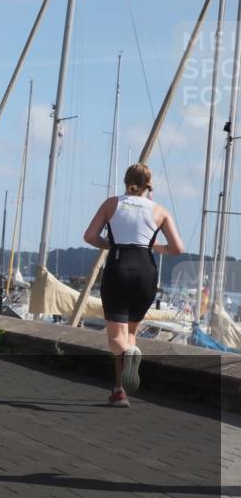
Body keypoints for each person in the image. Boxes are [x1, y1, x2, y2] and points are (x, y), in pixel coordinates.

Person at [83, 163, 183, 407]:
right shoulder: (160, 210)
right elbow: (177, 248)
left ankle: (128, 358)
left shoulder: (112, 204)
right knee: (130, 334)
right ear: (149, 185)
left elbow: (90, 236)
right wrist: (151, 247)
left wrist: (113, 245)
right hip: (146, 271)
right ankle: (119, 390)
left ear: (126, 181)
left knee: (117, 338)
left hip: (119, 266)